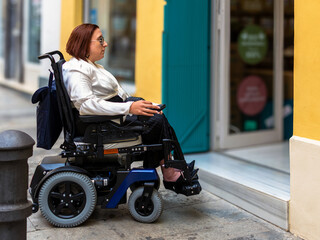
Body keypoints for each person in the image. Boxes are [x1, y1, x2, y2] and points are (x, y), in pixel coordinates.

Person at [62, 23, 197, 192]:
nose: (105, 44)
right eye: (100, 40)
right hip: (99, 125)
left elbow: (118, 95)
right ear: (84, 43)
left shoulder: (90, 65)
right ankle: (170, 173)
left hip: (111, 118)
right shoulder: (77, 69)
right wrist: (129, 108)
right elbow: (86, 105)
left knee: (156, 116)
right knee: (156, 123)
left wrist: (144, 105)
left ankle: (172, 168)